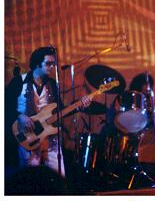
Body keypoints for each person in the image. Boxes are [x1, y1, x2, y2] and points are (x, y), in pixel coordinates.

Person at [5, 46, 92, 177]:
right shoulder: (19, 81)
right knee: (30, 181)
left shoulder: (52, 83)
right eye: (48, 63)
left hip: (50, 140)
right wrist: (20, 116)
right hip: (26, 137)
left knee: (59, 177)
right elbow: (5, 106)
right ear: (37, 64)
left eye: (53, 64)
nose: (52, 67)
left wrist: (79, 106)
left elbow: (60, 111)